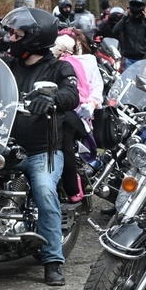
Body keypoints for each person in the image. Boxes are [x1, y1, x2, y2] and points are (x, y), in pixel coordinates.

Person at [1, 6, 79, 286]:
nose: (11, 38)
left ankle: (53, 260)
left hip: (42, 151)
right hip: (3, 147)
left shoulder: (59, 67)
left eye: (17, 34)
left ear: (33, 38)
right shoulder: (7, 65)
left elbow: (72, 94)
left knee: (45, 192)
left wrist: (53, 99)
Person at [51, 34, 103, 203]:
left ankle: (73, 187)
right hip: (74, 112)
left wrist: (90, 104)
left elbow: (83, 91)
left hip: (72, 113)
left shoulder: (64, 65)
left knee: (64, 142)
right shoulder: (81, 62)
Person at [113, 0, 146, 70]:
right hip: (128, 58)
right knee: (127, 80)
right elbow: (115, 31)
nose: (137, 15)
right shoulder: (126, 21)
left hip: (143, 59)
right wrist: (124, 17)